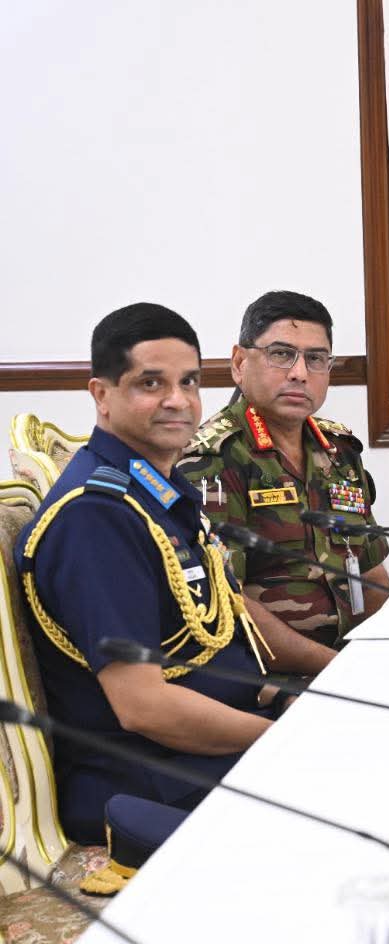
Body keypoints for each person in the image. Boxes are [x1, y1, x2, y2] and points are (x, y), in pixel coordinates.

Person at [15, 304, 276, 844]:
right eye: (150, 383)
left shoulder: (155, 491)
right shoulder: (96, 518)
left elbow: (209, 633)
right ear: (101, 395)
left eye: (190, 382)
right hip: (150, 778)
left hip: (210, 745)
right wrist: (282, 738)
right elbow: (144, 708)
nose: (178, 400)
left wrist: (279, 697)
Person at [177, 291, 389, 665]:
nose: (299, 373)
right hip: (273, 676)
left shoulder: (339, 450)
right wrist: (338, 668)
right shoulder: (214, 460)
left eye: (316, 359)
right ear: (239, 363)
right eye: (281, 354)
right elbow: (227, 604)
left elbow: (372, 572)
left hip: (353, 660)